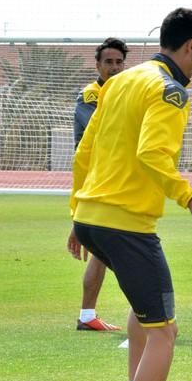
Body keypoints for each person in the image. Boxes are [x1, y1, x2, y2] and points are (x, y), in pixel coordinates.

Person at [67, 7, 192, 381]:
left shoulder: (119, 81)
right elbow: (154, 155)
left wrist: (76, 213)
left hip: (93, 215)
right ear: (190, 46)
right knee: (166, 332)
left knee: (143, 311)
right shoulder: (170, 91)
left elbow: (85, 150)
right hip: (125, 222)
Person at [72, 37, 129, 332]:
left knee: (102, 251)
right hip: (96, 182)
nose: (115, 68)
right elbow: (103, 129)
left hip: (112, 180)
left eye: (119, 62)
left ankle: (87, 316)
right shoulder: (90, 96)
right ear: (98, 65)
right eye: (109, 62)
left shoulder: (122, 93)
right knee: (123, 247)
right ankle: (148, 312)